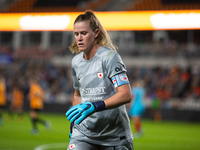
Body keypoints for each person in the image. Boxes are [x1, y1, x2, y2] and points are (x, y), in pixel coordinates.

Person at [65, 10, 133, 150]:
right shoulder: (76, 62)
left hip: (114, 137)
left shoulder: (109, 57)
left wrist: (95, 106)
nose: (79, 38)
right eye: (76, 34)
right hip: (83, 133)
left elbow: (126, 94)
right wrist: (75, 122)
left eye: (84, 33)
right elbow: (78, 95)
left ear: (95, 33)